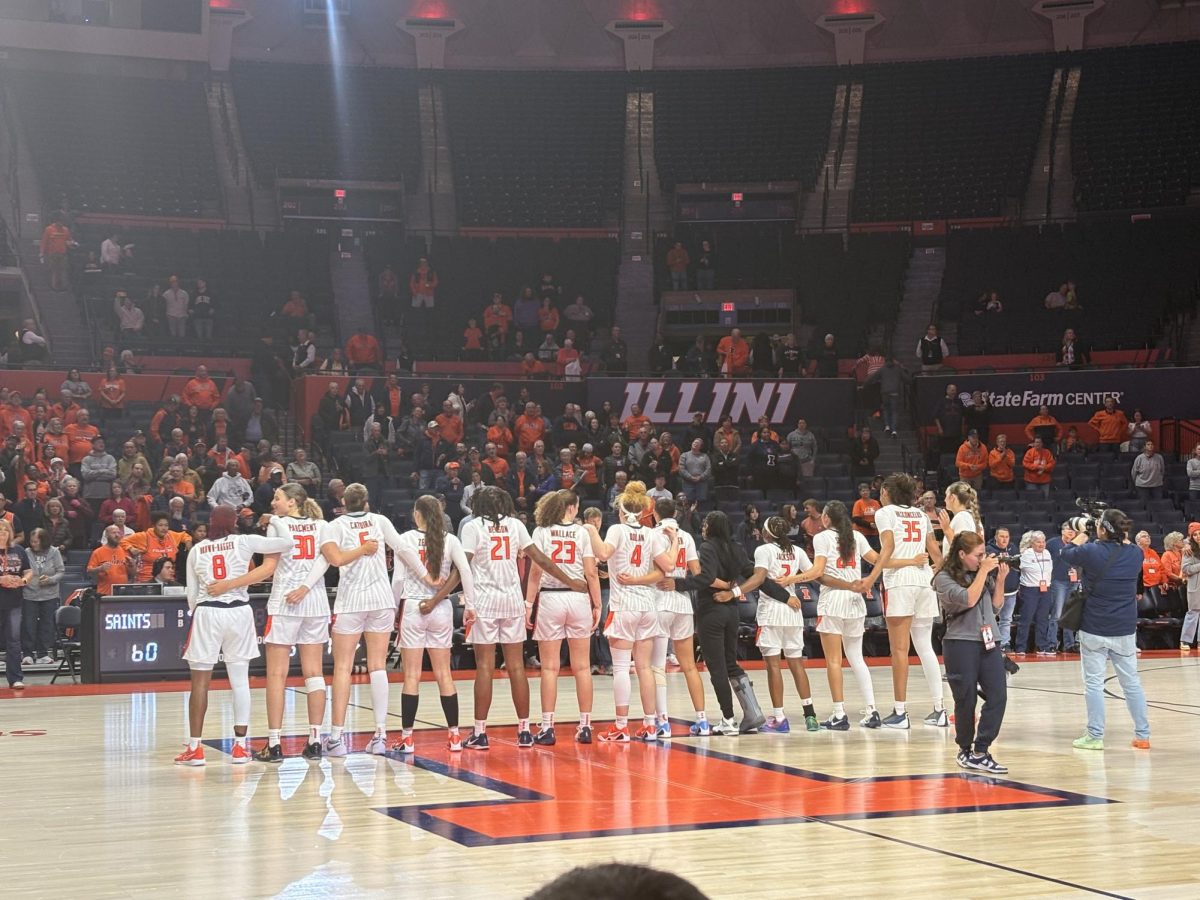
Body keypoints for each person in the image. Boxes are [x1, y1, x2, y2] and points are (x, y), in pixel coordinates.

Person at [439, 487, 581, 750]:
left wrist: (440, 594)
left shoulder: (473, 527)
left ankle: (480, 733)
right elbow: (541, 560)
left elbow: (463, 566)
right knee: (516, 667)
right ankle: (525, 731)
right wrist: (571, 580)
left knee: (485, 667)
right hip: (512, 601)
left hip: (485, 603)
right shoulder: (515, 525)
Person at [172, 506, 292, 766]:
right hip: (239, 612)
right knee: (240, 681)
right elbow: (286, 543)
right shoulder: (243, 541)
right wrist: (276, 520)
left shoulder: (196, 550)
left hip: (208, 612)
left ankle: (195, 748)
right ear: (233, 522)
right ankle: (239, 747)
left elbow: (191, 595)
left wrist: (200, 611)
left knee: (200, 683)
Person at [251, 484, 337, 763]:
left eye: (277, 498)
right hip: (315, 602)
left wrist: (274, 520)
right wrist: (307, 586)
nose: (273, 502)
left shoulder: (278, 524)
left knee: (276, 675)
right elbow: (325, 561)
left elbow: (273, 562)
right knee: (314, 673)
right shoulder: (322, 524)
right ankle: (315, 740)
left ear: (292, 502)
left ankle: (274, 743)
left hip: (285, 601)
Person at [391, 495, 476, 754]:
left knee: (411, 677)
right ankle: (454, 737)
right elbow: (465, 572)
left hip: (414, 606)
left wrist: (394, 609)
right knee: (444, 675)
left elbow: (397, 580)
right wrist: (470, 606)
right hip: (441, 609)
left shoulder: (405, 539)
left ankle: (407, 739)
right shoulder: (451, 539)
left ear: (418, 514)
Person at [584, 482, 668, 741]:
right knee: (645, 668)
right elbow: (666, 567)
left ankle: (621, 727)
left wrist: (589, 529)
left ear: (620, 511)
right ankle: (650, 725)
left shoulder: (617, 530)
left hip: (624, 606)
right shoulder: (652, 533)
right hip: (648, 605)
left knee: (621, 668)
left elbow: (602, 553)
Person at [1060, 510, 1150, 750]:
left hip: (1094, 627)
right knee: (1131, 683)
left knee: (1094, 684)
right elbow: (1125, 542)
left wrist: (1083, 532)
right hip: (1124, 628)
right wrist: (1109, 527)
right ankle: (1142, 735)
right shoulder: (1136, 553)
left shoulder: (1091, 550)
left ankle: (1095, 735)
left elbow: (1065, 553)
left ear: (1102, 530)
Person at [524, 490, 601, 745]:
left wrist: (528, 604)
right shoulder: (582, 532)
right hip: (578, 598)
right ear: (572, 507)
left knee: (549, 668)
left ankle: (547, 727)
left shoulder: (542, 531)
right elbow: (591, 573)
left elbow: (535, 572)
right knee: (582, 667)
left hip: (550, 598)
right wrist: (597, 604)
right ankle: (586, 725)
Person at [873, 473, 946, 728]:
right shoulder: (922, 515)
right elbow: (935, 551)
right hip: (925, 580)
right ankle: (940, 709)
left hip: (899, 581)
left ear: (886, 491)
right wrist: (948, 575)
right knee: (926, 647)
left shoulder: (885, 513)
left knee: (900, 650)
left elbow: (888, 547)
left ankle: (900, 712)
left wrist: (873, 574)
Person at [934, 532, 1010, 774]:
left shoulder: (981, 575)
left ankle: (982, 749)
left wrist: (999, 580)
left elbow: (996, 607)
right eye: (977, 556)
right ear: (962, 554)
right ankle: (965, 749)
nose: (981, 560)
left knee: (998, 695)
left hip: (989, 641)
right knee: (966, 699)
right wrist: (983, 572)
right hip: (960, 643)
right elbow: (967, 599)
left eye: (983, 555)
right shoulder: (943, 578)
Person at [739, 516, 823, 732]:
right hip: (793, 612)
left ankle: (779, 718)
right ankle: (810, 716)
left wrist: (736, 592)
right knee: (797, 664)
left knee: (773, 667)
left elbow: (759, 580)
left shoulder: (763, 550)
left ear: (767, 533)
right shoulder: (797, 551)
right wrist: (792, 580)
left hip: (771, 611)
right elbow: (814, 573)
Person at [811, 501, 881, 729]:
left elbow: (819, 574)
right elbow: (879, 560)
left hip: (834, 600)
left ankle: (839, 713)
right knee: (856, 657)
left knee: (833, 660)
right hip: (855, 602)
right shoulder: (858, 537)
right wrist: (867, 581)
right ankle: (872, 710)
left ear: (827, 518)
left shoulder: (821, 538)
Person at [20, 528, 63, 666]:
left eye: (36, 541)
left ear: (43, 541)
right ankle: (27, 654)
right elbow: (22, 571)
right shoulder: (26, 552)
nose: (33, 544)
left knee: (47, 624)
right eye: (32, 541)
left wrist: (50, 579)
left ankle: (43, 653)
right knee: (28, 624)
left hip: (49, 595)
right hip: (29, 594)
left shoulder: (54, 552)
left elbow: (61, 571)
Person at [0, 520, 32, 689]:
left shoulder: (19, 550)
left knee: (13, 640)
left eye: (5, 529)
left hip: (14, 601)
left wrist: (23, 580)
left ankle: (15, 678)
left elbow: (28, 570)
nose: (2, 532)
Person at [1015, 531, 1055, 656]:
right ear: (1032, 543)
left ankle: (1042, 646)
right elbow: (1024, 568)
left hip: (1045, 589)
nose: (1041, 544)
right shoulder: (1026, 554)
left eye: (1043, 542)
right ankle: (1020, 647)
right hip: (1030, 589)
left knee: (1043, 619)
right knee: (1026, 619)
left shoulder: (1047, 553)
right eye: (1038, 542)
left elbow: (1049, 570)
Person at [121, 512, 191, 582]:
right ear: (154, 526)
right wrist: (131, 548)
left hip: (169, 580)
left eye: (166, 525)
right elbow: (121, 541)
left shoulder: (171, 535)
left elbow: (184, 535)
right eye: (160, 525)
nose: (164, 528)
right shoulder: (144, 536)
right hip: (147, 580)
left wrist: (188, 542)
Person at [1047, 523, 1080, 653]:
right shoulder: (1052, 543)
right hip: (1058, 581)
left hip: (1074, 581)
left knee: (1070, 614)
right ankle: (1052, 643)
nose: (1071, 532)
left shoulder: (1078, 543)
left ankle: (1069, 644)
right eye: (1068, 529)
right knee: (1057, 614)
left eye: (1073, 530)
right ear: (1062, 531)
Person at [987, 527, 1021, 651]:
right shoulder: (989, 550)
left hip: (1011, 591)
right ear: (996, 537)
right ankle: (989, 644)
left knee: (1006, 619)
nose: (1004, 539)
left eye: (1007, 537)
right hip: (994, 591)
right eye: (1001, 536)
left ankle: (1004, 644)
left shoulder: (1013, 548)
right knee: (989, 618)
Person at [938, 481, 982, 558]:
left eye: (946, 495)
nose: (944, 500)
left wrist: (947, 529)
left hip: (958, 569)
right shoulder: (967, 516)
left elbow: (963, 549)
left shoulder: (962, 517)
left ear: (952, 498)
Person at [87, 525, 131, 596]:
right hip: (104, 593)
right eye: (113, 533)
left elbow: (132, 574)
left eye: (118, 533)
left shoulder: (124, 550)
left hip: (123, 593)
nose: (117, 535)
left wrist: (132, 565)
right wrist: (100, 568)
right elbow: (89, 571)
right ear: (107, 535)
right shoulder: (98, 552)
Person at [1180, 531, 1200, 651]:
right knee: (1193, 612)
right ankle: (1185, 641)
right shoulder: (1189, 550)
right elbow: (1185, 569)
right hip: (1195, 585)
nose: (1198, 536)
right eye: (1195, 534)